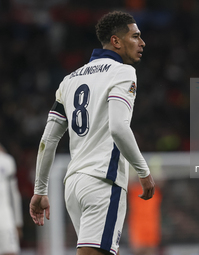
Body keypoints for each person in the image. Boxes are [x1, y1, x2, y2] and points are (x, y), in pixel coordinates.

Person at [29, 11, 155, 255]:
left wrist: (40, 190)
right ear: (116, 41)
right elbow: (118, 128)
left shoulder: (69, 80)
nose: (142, 43)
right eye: (135, 36)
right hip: (102, 182)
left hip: (73, 186)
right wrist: (144, 171)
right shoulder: (123, 72)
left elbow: (48, 139)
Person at [0, 144, 23, 255]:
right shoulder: (6, 160)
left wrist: (17, 222)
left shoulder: (6, 161)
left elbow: (14, 194)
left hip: (5, 217)